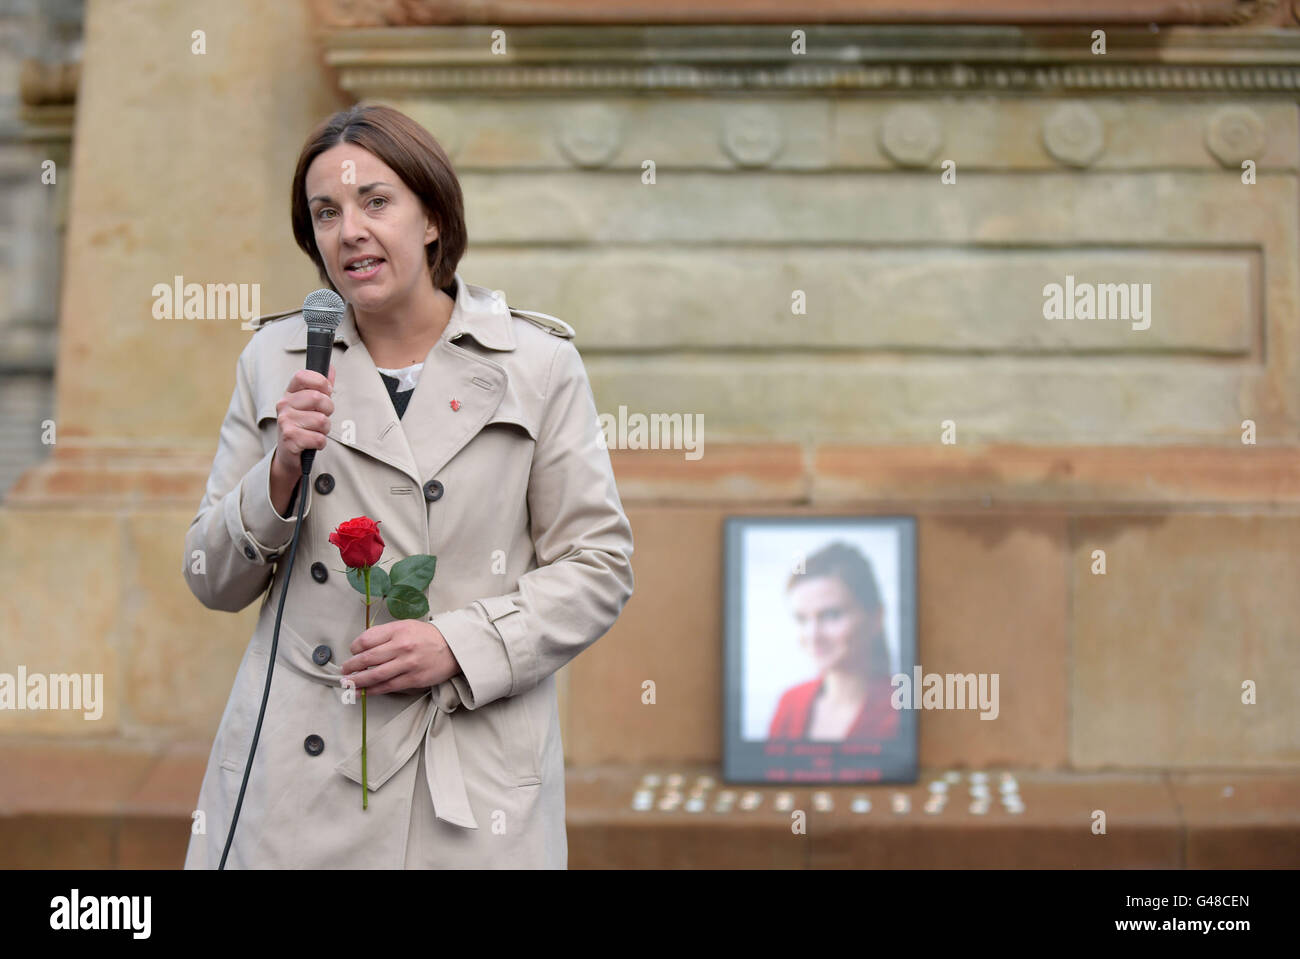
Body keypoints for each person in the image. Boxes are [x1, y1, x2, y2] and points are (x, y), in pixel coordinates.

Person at [181, 104, 635, 869]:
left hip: (466, 779)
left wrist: (458, 644)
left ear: (431, 217)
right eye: (326, 212)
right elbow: (210, 577)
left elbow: (599, 568)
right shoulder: (277, 358)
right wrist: (280, 473)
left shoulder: (535, 363)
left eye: (376, 201)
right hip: (297, 786)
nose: (349, 230)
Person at [767, 541, 898, 742]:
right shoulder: (790, 703)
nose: (813, 635)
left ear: (876, 618)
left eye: (831, 615)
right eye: (802, 619)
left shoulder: (903, 712)